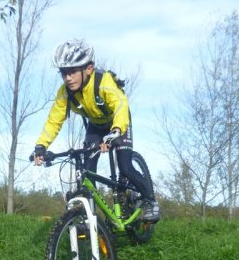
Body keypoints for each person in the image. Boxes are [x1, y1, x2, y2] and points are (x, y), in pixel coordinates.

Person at [32, 39, 160, 222]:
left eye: (73, 71)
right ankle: (89, 215)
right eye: (63, 73)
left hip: (118, 123)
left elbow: (120, 105)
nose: (68, 78)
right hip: (96, 125)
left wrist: (116, 130)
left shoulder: (103, 82)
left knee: (125, 166)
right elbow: (54, 121)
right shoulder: (65, 93)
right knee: (86, 170)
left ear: (89, 69)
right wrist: (41, 146)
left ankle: (150, 201)